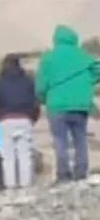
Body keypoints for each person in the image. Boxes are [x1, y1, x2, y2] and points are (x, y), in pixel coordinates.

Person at [34, 24, 100, 182]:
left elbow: (41, 85)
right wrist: (89, 81)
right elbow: (97, 69)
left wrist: (43, 98)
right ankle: (81, 173)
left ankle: (63, 174)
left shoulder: (48, 58)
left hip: (56, 105)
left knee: (60, 140)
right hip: (80, 105)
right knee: (80, 139)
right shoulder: (83, 56)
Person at [0, 54, 40, 189]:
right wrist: (32, 118)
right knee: (25, 154)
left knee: (8, 157)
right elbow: (34, 102)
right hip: (25, 118)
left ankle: (11, 186)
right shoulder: (28, 81)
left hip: (5, 119)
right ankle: (26, 186)